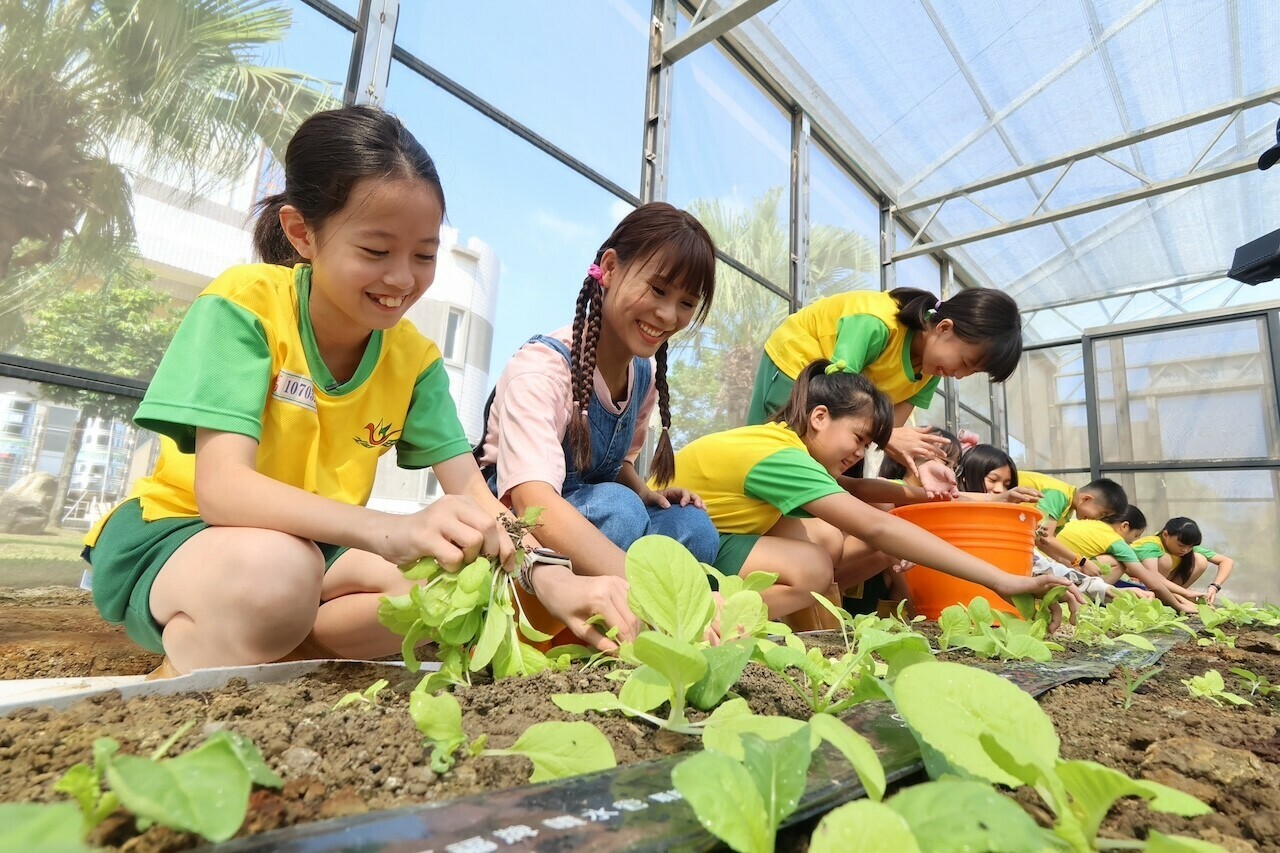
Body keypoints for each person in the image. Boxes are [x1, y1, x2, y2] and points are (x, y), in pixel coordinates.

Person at [82, 106, 636, 678]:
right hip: (183, 532)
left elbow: (475, 493)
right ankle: (187, 671)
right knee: (279, 574)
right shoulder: (247, 304)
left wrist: (552, 579)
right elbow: (223, 490)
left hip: (315, 549)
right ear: (303, 233)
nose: (402, 279)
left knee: (458, 589)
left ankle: (269, 649)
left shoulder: (413, 359)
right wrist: (389, 531)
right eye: (375, 252)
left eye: (424, 255)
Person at [665, 360, 1083, 621]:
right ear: (820, 416)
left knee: (822, 538)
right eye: (860, 438)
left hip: (693, 530)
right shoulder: (779, 457)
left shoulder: (784, 445)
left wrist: (986, 499)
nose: (860, 452)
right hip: (670, 537)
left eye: (869, 445)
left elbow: (865, 489)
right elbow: (876, 527)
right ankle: (709, 619)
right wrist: (1001, 580)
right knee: (812, 564)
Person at [475, 202, 720, 584]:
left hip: (596, 509)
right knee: (620, 510)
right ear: (609, 268)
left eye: (686, 303)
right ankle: (591, 615)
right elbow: (531, 502)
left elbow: (615, 463)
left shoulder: (644, 376)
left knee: (691, 525)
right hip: (516, 526)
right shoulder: (543, 370)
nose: (669, 316)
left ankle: (635, 620)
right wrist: (646, 590)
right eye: (658, 290)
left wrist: (646, 491)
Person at [747, 286, 1023, 492]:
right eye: (964, 362)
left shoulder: (930, 371)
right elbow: (836, 395)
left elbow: (889, 428)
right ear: (944, 327)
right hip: (797, 365)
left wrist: (922, 464)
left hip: (841, 403)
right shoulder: (877, 322)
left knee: (828, 470)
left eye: (972, 372)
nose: (959, 376)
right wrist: (888, 435)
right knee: (775, 449)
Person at [1055, 506, 1194, 612]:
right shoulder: (1115, 541)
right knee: (1118, 563)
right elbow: (1153, 581)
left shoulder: (1086, 523)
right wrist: (1179, 606)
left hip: (1050, 570)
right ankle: (1089, 599)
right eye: (1135, 536)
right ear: (1124, 526)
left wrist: (1182, 597)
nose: (1133, 542)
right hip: (1065, 580)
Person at [1017, 471, 1128, 566]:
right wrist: (1081, 561)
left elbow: (1042, 543)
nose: (1097, 519)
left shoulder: (1066, 514)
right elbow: (1046, 537)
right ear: (1086, 499)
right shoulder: (1059, 494)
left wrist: (1075, 566)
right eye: (1101, 514)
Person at [1133, 517, 1237, 606]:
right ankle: (1170, 598)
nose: (1185, 550)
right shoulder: (1150, 545)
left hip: (1161, 585)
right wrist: (1186, 594)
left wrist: (1214, 587)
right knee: (1165, 560)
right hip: (1136, 586)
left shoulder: (1185, 549)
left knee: (1200, 560)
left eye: (1190, 547)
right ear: (1165, 535)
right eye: (1181, 545)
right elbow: (1153, 577)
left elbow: (1227, 561)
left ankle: (1168, 598)